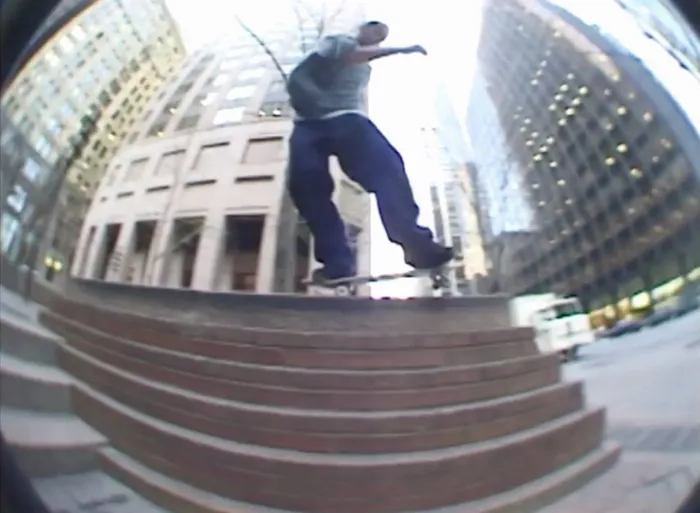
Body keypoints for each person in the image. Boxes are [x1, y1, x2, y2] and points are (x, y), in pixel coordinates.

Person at [286, 20, 453, 282]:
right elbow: (351, 55)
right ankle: (337, 261)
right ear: (362, 29)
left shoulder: (366, 69)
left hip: (349, 120)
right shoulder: (340, 41)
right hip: (309, 125)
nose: (377, 40)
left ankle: (417, 245)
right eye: (375, 32)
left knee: (388, 170)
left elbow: (358, 65)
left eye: (382, 38)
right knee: (307, 186)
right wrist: (403, 49)